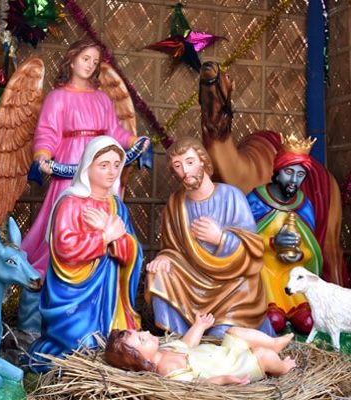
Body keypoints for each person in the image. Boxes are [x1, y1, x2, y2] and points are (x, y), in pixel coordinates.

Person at [18, 38, 141, 332]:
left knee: (104, 225)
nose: (90, 65)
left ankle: (99, 309)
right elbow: (47, 132)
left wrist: (136, 141)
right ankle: (39, 316)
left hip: (101, 165)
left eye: (95, 61)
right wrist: (43, 155)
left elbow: (115, 133)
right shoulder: (57, 97)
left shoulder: (102, 99)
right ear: (72, 60)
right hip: (70, 168)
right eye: (85, 58)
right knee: (62, 230)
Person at [28, 136, 143, 372]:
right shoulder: (71, 203)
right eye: (104, 165)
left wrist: (118, 239)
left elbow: (134, 249)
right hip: (74, 295)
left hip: (110, 294)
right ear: (87, 166)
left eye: (116, 165)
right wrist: (105, 237)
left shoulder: (117, 206)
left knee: (119, 344)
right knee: (82, 345)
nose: (111, 171)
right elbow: (65, 247)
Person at [145, 136, 274, 337]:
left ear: (203, 161)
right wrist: (164, 257)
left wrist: (220, 238)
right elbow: (172, 248)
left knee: (220, 337)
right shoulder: (176, 203)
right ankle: (180, 339)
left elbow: (254, 248)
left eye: (190, 162)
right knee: (158, 273)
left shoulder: (232, 196)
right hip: (192, 279)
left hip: (231, 284)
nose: (185, 171)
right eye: (178, 166)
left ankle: (220, 329)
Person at [247, 134, 322, 334]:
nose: (294, 180)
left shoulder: (303, 205)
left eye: (300, 174)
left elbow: (312, 249)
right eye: (289, 172)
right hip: (263, 272)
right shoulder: (257, 200)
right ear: (278, 171)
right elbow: (240, 240)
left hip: (292, 274)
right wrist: (272, 242)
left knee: (307, 322)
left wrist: (300, 254)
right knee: (274, 322)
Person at [104, 313, 296, 384]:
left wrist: (199, 326)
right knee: (263, 355)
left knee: (234, 331)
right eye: (142, 339)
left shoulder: (165, 349)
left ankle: (274, 343)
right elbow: (199, 387)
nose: (146, 332)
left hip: (222, 354)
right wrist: (224, 379)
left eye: (140, 332)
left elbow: (187, 344)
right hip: (229, 367)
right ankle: (281, 367)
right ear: (143, 360)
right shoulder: (169, 371)